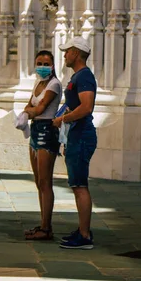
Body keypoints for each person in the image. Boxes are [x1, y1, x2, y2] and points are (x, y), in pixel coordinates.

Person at [52, 36, 97, 250]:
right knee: (76, 184)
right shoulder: (78, 76)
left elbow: (86, 107)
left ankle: (85, 235)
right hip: (75, 135)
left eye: (67, 51)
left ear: (77, 53)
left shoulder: (84, 77)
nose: (64, 55)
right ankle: (82, 229)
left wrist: (63, 119)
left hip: (81, 135)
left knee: (80, 186)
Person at [23, 50, 62, 240]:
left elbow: (39, 108)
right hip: (35, 129)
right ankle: (43, 224)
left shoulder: (54, 84)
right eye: (39, 63)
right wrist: (30, 112)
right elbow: (28, 107)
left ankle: (47, 228)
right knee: (39, 181)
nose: (43, 67)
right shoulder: (38, 83)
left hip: (47, 131)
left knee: (46, 181)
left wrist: (30, 112)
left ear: (53, 66)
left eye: (46, 64)